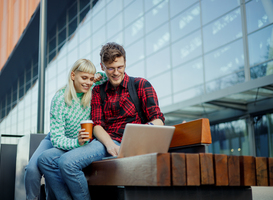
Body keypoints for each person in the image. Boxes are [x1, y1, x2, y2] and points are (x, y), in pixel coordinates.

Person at [37, 42, 165, 200]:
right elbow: (96, 124)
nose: (116, 72)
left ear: (125, 63)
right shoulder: (98, 90)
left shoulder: (140, 85)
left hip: (130, 141)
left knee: (67, 163)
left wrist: (140, 134)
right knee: (45, 159)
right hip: (105, 142)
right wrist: (109, 144)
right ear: (102, 67)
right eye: (111, 68)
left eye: (120, 67)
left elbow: (158, 120)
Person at [24, 58, 107, 200]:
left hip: (79, 142)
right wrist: (77, 143)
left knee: (49, 165)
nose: (88, 82)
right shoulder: (59, 99)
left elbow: (106, 76)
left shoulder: (92, 89)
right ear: (73, 76)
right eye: (84, 77)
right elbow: (57, 139)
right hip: (58, 139)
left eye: (91, 79)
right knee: (32, 168)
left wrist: (97, 75)